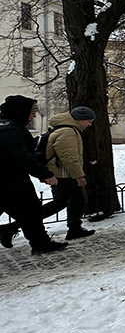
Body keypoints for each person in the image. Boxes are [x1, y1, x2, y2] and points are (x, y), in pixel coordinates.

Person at [1, 105, 96, 244]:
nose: (90, 124)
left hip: (64, 173)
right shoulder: (67, 131)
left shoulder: (68, 129)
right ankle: (11, 228)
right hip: (62, 174)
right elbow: (68, 157)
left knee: (77, 200)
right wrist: (78, 176)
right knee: (58, 204)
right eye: (89, 121)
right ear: (80, 119)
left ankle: (75, 227)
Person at [0, 96, 65, 254]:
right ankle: (40, 243)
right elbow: (22, 156)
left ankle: (36, 241)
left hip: (9, 179)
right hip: (11, 181)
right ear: (20, 113)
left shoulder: (7, 126)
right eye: (31, 113)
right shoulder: (10, 130)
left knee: (29, 213)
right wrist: (45, 174)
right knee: (31, 211)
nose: (34, 116)